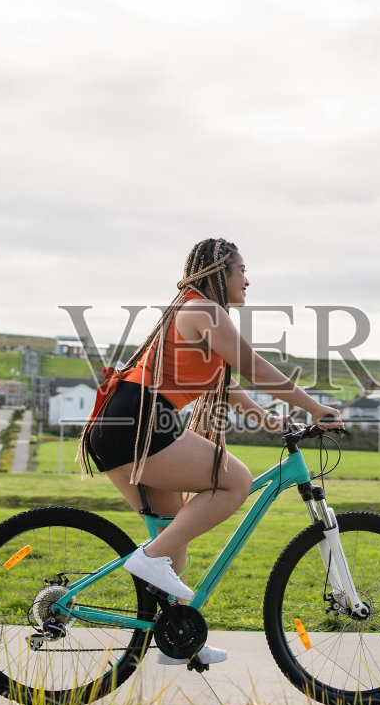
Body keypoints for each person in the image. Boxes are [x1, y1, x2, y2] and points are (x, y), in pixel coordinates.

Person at [78, 238, 345, 665]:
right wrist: (315, 407)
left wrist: (269, 419)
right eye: (242, 270)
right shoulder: (204, 309)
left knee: (172, 539)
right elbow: (254, 365)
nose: (247, 280)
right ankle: (146, 561)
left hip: (120, 427)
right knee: (236, 481)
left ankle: (178, 638)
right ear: (221, 272)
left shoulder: (192, 310)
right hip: (139, 424)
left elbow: (230, 385)